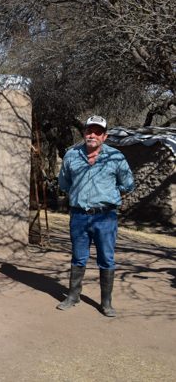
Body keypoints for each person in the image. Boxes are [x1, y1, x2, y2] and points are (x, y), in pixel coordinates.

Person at [56, 115, 134, 317]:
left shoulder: (116, 157)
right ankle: (73, 296)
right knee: (78, 257)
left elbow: (128, 184)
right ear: (84, 133)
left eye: (97, 132)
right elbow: (64, 183)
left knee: (106, 259)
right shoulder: (71, 156)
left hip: (105, 217)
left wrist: (107, 194)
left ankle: (106, 302)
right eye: (89, 130)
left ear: (105, 136)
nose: (92, 135)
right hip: (79, 216)